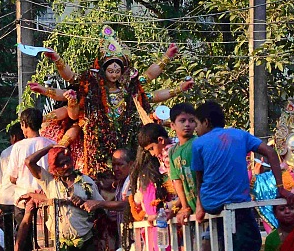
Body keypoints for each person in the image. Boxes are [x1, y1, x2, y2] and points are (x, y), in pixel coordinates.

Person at [33, 25, 189, 177]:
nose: (114, 75)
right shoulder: (91, 89)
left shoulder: (130, 90)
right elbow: (71, 78)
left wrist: (169, 61)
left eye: (117, 71)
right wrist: (56, 62)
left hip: (128, 144)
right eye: (110, 71)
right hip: (96, 146)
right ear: (102, 70)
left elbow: (150, 80)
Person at [191, 101, 294, 251]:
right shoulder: (240, 135)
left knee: (230, 247)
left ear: (206, 122)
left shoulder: (198, 144)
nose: (195, 129)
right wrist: (280, 188)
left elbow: (199, 178)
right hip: (238, 205)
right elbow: (270, 152)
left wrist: (200, 204)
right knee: (251, 242)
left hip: (211, 204)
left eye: (196, 124)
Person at [7, 108, 56, 223]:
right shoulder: (51, 144)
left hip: (23, 201)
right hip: (46, 200)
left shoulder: (18, 147)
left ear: (24, 124)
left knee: (25, 237)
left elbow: (12, 178)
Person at [167, 103, 198, 225]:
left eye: (191, 120)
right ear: (173, 125)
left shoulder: (198, 143)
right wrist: (185, 207)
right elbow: (177, 181)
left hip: (207, 204)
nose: (187, 124)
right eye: (182, 120)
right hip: (192, 207)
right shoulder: (173, 152)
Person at [0, 122, 24, 251]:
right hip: (17, 200)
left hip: (3, 199)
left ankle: (9, 250)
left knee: (8, 230)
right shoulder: (25, 149)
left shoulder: (4, 153)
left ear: (13, 137)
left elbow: (1, 181)